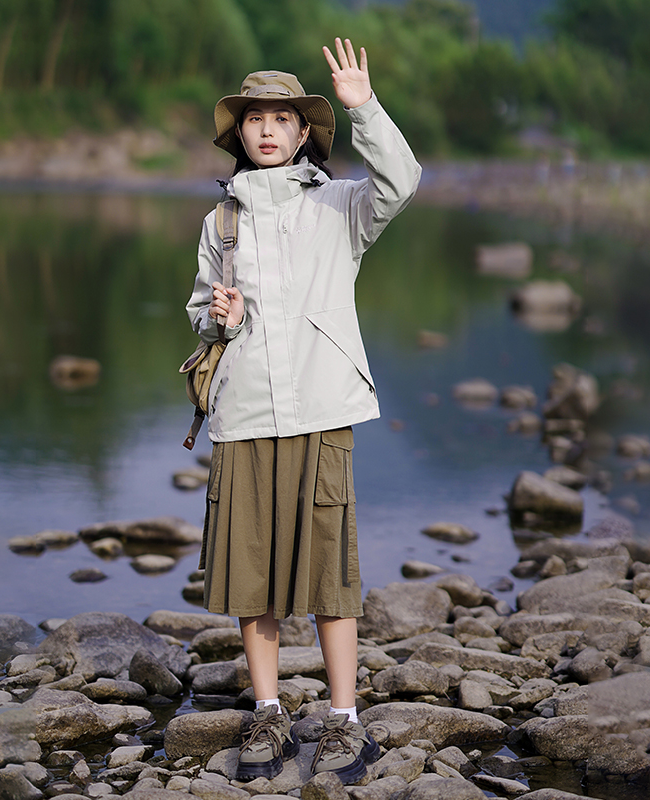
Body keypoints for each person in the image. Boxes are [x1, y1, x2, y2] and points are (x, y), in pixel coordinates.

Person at [186, 38, 421, 784]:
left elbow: (404, 182)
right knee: (251, 580)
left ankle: (346, 724)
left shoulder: (341, 206)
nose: (266, 128)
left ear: (302, 133)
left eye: (281, 117)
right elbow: (201, 315)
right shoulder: (220, 224)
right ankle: (268, 713)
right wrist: (218, 314)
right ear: (240, 133)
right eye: (255, 117)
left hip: (321, 411)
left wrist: (365, 107)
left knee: (329, 578)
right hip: (245, 416)